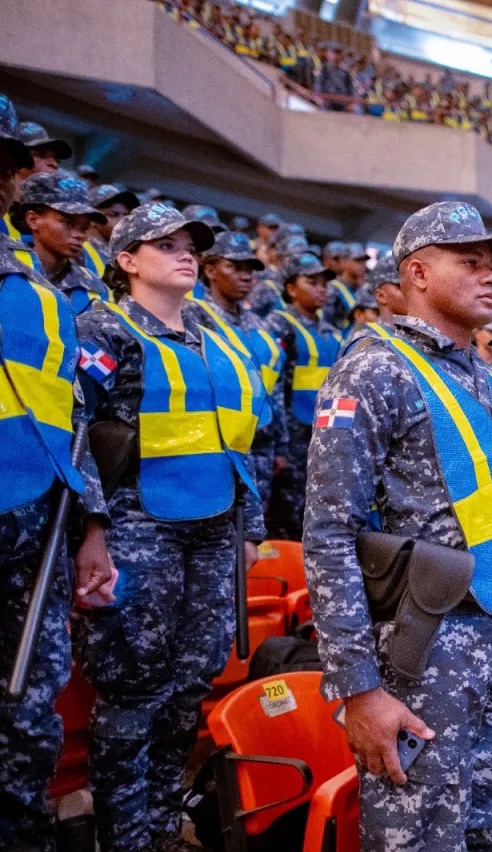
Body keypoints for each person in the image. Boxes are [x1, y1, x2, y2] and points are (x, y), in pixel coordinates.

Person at [303, 201, 492, 849]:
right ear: (416, 272)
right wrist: (357, 689)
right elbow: (328, 533)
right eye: (468, 261)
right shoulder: (375, 368)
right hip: (426, 656)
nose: (489, 276)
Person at [75, 203, 266, 852]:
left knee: (188, 688)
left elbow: (242, 430)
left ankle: (160, 828)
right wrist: (91, 529)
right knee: (132, 690)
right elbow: (75, 433)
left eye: (191, 245)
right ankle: (123, 836)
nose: (186, 253)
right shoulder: (105, 330)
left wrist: (250, 520)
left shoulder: (212, 331)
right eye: (166, 245)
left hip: (212, 527)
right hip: (137, 529)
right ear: (127, 260)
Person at [0, 95, 115, 852]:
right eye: (65, 219)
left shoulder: (55, 299)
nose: (79, 233)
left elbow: (69, 416)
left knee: (27, 707)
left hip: (34, 525)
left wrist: (89, 525)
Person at [186, 230, 285, 504]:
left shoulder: (260, 325)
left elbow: (271, 388)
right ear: (210, 270)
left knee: (252, 533)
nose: (245, 276)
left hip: (259, 441)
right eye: (234, 267)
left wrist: (279, 444)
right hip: (214, 439)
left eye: (249, 269)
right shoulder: (191, 316)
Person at [266, 251, 341, 539]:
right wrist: (280, 447)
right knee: (288, 516)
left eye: (324, 282)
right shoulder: (278, 325)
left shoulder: (333, 333)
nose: (322, 288)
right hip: (292, 439)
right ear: (291, 288)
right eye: (312, 281)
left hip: (324, 436)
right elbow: (273, 389)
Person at [11, 170, 110, 314]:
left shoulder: (94, 287)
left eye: (84, 228)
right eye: (67, 223)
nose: (79, 235)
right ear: (33, 220)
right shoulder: (8, 268)